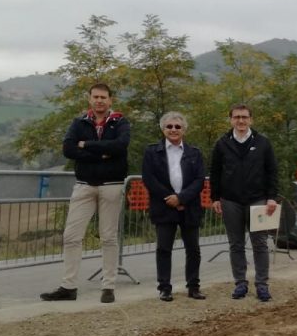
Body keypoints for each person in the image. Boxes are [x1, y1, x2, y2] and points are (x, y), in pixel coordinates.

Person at [41, 83, 130, 304]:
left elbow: (120, 146)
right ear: (89, 99)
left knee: (108, 237)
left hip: (111, 184)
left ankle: (108, 286)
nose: (99, 100)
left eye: (103, 97)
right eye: (95, 97)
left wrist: (86, 145)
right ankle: (68, 286)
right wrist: (101, 153)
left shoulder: (120, 122)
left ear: (110, 100)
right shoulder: (79, 122)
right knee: (71, 236)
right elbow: (68, 149)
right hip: (83, 185)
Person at [209, 103, 279, 301]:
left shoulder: (263, 142)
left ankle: (262, 284)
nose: (241, 120)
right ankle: (240, 283)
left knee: (260, 244)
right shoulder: (221, 143)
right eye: (237, 117)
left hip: (257, 200)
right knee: (236, 244)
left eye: (244, 117)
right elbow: (215, 172)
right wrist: (215, 197)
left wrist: (272, 197)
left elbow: (272, 172)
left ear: (251, 120)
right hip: (231, 200)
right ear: (231, 119)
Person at [141, 111, 206, 301]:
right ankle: (165, 288)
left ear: (184, 129)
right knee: (163, 248)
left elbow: (199, 180)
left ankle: (193, 287)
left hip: (189, 207)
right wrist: (169, 198)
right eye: (169, 126)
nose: (173, 130)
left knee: (193, 249)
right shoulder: (152, 151)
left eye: (177, 126)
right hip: (164, 207)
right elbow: (149, 179)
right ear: (163, 129)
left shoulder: (195, 153)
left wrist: (181, 199)